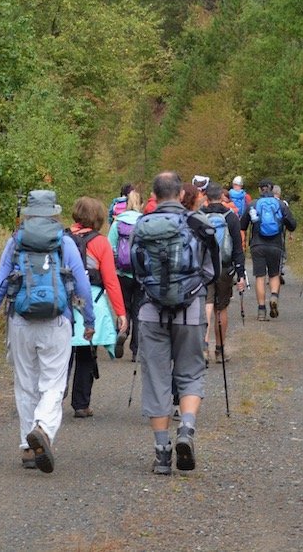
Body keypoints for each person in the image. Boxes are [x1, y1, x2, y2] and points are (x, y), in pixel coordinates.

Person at [0, 189, 94, 474]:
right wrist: (89, 320)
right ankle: (42, 428)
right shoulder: (65, 243)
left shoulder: (16, 242)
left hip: (21, 322)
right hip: (57, 322)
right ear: (54, 212)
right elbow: (82, 285)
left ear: (28, 213)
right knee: (53, 383)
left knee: (26, 384)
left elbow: (0, 284)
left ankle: (28, 449)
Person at [132, 170, 217, 475]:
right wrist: (191, 290)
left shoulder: (142, 225)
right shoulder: (197, 223)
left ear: (153, 196)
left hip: (151, 311)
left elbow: (135, 269)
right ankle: (187, 430)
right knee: (191, 372)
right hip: (190, 310)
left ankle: (161, 454)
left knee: (156, 378)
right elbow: (211, 271)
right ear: (182, 194)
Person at [66, 196, 128, 417]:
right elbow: (111, 281)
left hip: (65, 301)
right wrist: (121, 313)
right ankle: (81, 404)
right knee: (86, 352)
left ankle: (55, 395)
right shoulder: (100, 243)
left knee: (63, 352)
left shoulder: (63, 238)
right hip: (90, 303)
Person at [201, 180, 245, 361]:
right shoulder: (231, 217)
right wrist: (241, 273)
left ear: (205, 197)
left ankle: (203, 347)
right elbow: (237, 248)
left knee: (206, 305)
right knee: (222, 308)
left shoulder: (199, 216)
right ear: (221, 196)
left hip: (204, 268)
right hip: (225, 268)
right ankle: (220, 349)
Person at [244, 179, 296, 321]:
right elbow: (292, 225)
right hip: (276, 245)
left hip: (257, 245)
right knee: (274, 274)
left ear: (260, 190)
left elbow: (242, 225)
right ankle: (274, 296)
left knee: (260, 277)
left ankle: (261, 310)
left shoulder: (253, 204)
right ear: (272, 190)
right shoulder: (280, 205)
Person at [108, 187, 144, 360]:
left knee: (123, 308)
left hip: (122, 272)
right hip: (140, 273)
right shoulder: (144, 222)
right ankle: (136, 349)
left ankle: (122, 331)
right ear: (141, 204)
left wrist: (116, 264)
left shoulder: (117, 222)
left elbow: (110, 247)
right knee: (138, 310)